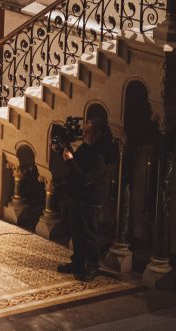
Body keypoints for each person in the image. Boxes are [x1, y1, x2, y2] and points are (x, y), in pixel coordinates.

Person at [58, 119, 112, 281]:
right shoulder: (85, 148)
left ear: (97, 134)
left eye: (87, 131)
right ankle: (78, 262)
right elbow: (75, 170)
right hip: (77, 197)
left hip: (90, 200)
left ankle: (93, 266)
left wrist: (70, 160)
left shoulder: (99, 156)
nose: (84, 134)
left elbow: (84, 178)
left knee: (89, 234)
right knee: (77, 232)